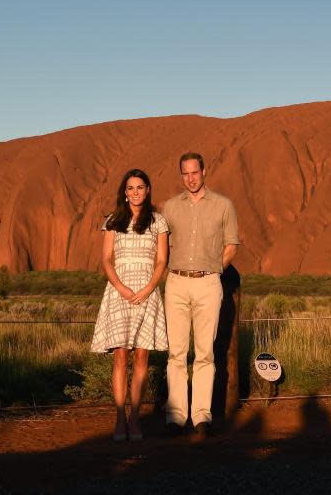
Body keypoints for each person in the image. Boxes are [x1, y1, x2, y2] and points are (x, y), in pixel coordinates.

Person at [162, 152, 240, 437]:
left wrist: (214, 270)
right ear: (181, 174)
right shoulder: (170, 208)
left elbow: (231, 244)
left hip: (208, 282)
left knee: (205, 352)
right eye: (185, 173)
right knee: (177, 353)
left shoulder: (223, 205)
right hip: (177, 282)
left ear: (204, 171)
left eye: (194, 172)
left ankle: (201, 416)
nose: (190, 178)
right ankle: (176, 416)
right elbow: (162, 246)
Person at [91, 169, 169, 442]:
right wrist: (122, 288)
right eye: (130, 188)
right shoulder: (113, 221)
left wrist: (148, 288)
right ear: (124, 193)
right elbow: (106, 260)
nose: (135, 192)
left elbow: (161, 261)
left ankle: (135, 416)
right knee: (121, 356)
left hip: (147, 293)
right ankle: (120, 416)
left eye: (140, 187)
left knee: (142, 358)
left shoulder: (158, 222)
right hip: (119, 293)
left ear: (148, 190)